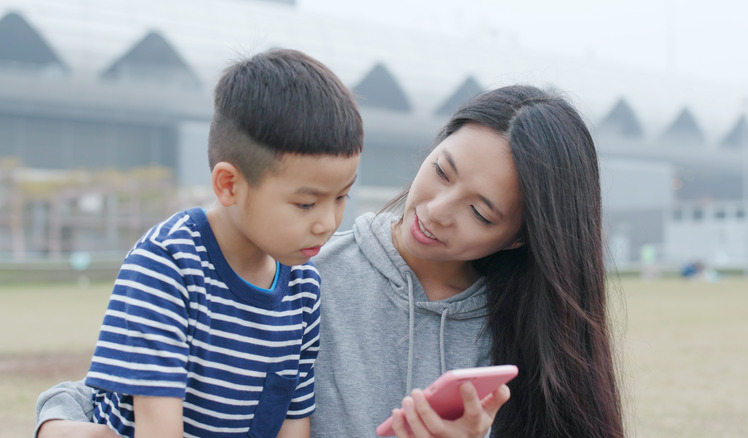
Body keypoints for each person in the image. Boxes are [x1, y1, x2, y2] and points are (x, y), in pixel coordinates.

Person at [35, 84, 624, 437]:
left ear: (520, 239)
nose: (437, 210)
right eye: (442, 172)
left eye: (480, 212)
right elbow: (116, 391)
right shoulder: (302, 273)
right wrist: (55, 423)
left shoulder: (527, 336)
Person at [34, 48, 363, 438]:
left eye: (341, 197)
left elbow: (293, 424)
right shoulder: (167, 265)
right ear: (229, 185)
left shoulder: (304, 288)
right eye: (306, 204)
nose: (328, 223)